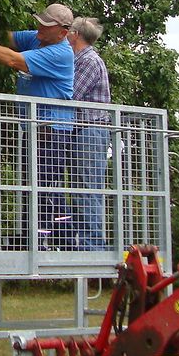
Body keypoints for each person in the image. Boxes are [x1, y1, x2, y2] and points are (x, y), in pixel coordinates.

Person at [0, 4, 75, 249]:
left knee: (43, 187)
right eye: (41, 21)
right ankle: (53, 239)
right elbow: (4, 38)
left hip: (51, 129)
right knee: (38, 186)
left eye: (47, 25)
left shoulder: (60, 53)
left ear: (63, 32)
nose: (40, 26)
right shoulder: (37, 38)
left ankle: (42, 242)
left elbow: (13, 59)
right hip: (34, 128)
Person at [67, 16, 111, 250]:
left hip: (90, 130)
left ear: (75, 35)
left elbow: (71, 94)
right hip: (84, 130)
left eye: (68, 32)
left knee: (87, 189)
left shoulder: (88, 61)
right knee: (81, 189)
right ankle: (85, 244)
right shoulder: (82, 60)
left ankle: (92, 247)